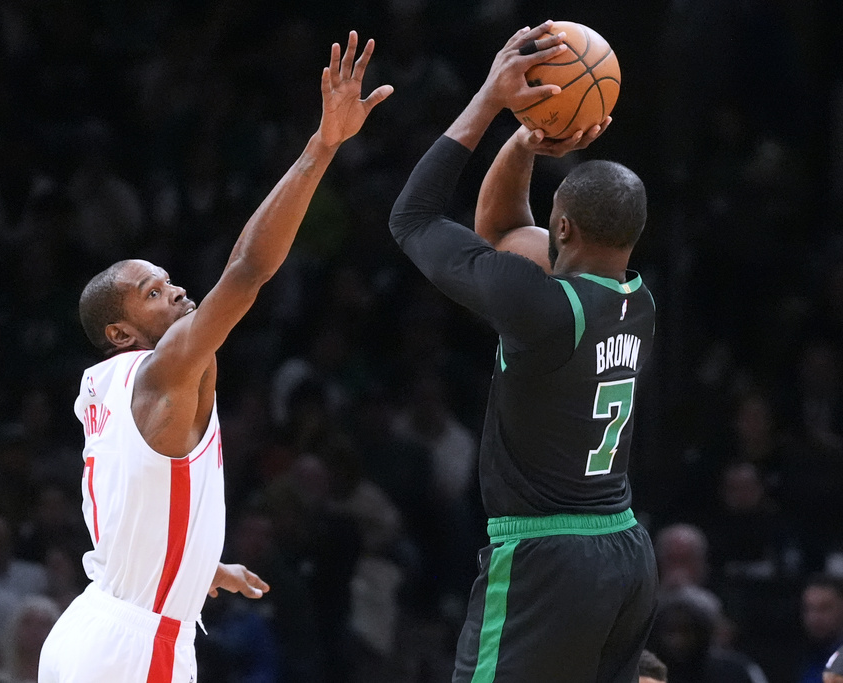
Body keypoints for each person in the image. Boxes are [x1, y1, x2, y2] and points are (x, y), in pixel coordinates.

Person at [38, 31, 392, 683]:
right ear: (121, 331)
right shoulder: (164, 368)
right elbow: (249, 269)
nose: (175, 290)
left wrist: (197, 566)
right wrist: (322, 146)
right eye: (152, 292)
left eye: (168, 279)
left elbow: (130, 511)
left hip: (91, 625)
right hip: (134, 644)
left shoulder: (102, 384)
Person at [389, 20, 657, 681]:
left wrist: (490, 101)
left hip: (548, 559)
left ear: (561, 225)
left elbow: (414, 218)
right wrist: (527, 140)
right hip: (625, 551)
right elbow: (507, 229)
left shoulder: (542, 306)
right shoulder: (637, 300)